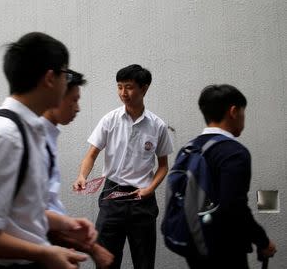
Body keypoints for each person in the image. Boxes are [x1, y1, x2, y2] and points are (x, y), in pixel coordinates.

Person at [0, 32, 94, 269]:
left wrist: (64, 224)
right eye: (65, 74)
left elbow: (15, 214)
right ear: (50, 78)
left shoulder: (27, 131)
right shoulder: (4, 135)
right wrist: (44, 253)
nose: (67, 82)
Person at [72, 64, 173, 269]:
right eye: (119, 87)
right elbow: (91, 154)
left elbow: (163, 166)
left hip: (142, 200)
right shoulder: (110, 120)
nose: (123, 93)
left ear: (144, 89)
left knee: (144, 262)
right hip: (112, 196)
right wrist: (82, 175)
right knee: (106, 261)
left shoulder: (157, 125)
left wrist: (150, 189)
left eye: (128, 87)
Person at [183, 84, 276, 269]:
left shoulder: (189, 148)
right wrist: (263, 241)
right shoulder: (233, 152)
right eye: (243, 112)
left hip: (193, 242)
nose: (243, 118)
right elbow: (234, 207)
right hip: (225, 248)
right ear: (233, 111)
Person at [42, 71, 114, 268]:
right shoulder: (30, 139)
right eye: (73, 100)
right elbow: (30, 217)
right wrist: (90, 247)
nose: (78, 108)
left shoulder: (48, 138)